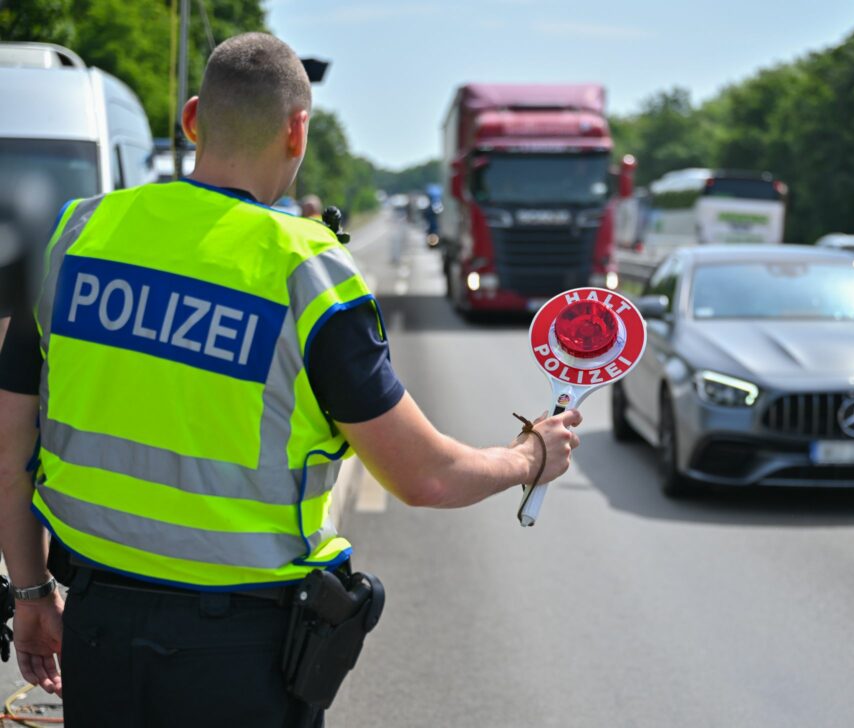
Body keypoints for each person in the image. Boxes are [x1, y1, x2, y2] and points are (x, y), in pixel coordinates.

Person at [0, 32, 581, 727]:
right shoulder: (309, 273)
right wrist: (529, 457)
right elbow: (424, 477)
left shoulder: (79, 235)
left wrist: (31, 594)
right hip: (239, 653)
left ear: (192, 119)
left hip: (97, 630)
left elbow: (8, 454)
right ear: (297, 129)